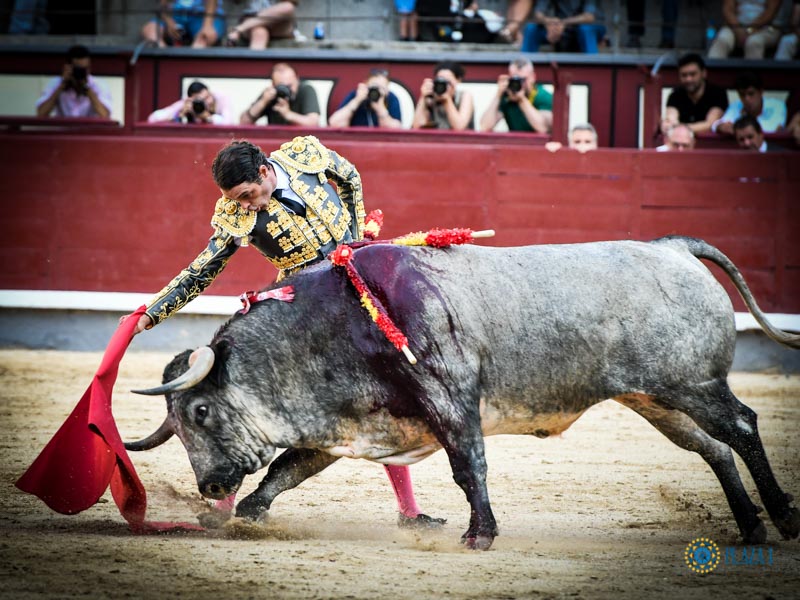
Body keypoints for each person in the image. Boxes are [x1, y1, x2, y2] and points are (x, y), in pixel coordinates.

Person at [129, 136, 443, 529]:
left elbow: (348, 177)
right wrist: (150, 314)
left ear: (264, 171)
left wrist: (357, 235)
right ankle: (224, 506)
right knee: (253, 396)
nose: (244, 205)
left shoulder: (302, 157)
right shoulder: (235, 214)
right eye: (238, 199)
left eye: (248, 194)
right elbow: (202, 269)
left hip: (356, 291)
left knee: (380, 395)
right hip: (300, 311)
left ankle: (409, 511)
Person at [35, 45, 112, 119]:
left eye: (84, 69)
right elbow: (41, 113)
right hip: (63, 130)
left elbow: (105, 115)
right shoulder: (56, 82)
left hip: (89, 131)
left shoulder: (98, 84)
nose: (81, 73)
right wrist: (62, 85)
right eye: (78, 69)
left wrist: (87, 88)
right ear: (68, 67)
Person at [479, 57, 553, 134]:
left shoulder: (543, 96)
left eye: (523, 79)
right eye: (514, 80)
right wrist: (498, 95)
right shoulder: (507, 97)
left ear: (533, 77)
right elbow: (485, 127)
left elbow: (542, 128)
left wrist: (522, 100)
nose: (518, 84)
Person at [661, 53, 729, 136]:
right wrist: (667, 124)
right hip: (682, 145)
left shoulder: (717, 94)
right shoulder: (675, 95)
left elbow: (710, 124)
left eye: (693, 74)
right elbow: (671, 121)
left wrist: (679, 128)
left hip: (712, 145)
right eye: (684, 75)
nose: (688, 79)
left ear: (703, 73)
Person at [239, 63, 320, 127]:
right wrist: (263, 102)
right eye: (281, 86)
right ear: (273, 84)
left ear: (297, 79)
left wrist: (288, 114)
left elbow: (313, 123)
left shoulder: (306, 89)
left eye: (289, 86)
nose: (286, 90)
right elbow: (244, 122)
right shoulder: (270, 94)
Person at [713, 71, 787, 136]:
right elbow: (716, 125)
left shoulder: (777, 105)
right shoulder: (736, 105)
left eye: (751, 94)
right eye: (742, 95)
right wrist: (720, 126)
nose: (747, 99)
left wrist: (741, 123)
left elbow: (771, 129)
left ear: (761, 92)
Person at [520, 0, 605, 54]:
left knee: (585, 30)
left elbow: (589, 17)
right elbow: (538, 14)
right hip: (561, 28)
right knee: (531, 29)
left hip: (590, 27)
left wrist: (561, 23)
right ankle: (522, 69)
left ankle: (593, 73)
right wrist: (548, 23)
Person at [707, 0, 784, 59]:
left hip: (765, 28)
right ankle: (710, 77)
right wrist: (738, 30)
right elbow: (728, 9)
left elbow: (770, 12)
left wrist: (750, 30)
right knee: (721, 40)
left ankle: (752, 78)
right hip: (736, 26)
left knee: (754, 42)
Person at [328, 68, 403, 129]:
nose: (376, 91)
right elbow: (334, 123)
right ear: (365, 85)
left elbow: (395, 130)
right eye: (374, 86)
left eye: (382, 88)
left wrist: (380, 109)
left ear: (387, 90)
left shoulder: (391, 98)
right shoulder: (355, 95)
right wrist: (357, 100)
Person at [412, 61, 475, 130]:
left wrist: (447, 100)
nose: (443, 85)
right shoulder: (431, 97)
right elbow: (417, 127)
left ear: (458, 80)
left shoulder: (464, 96)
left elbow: (459, 127)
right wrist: (423, 97)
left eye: (447, 82)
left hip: (461, 140)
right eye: (440, 81)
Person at [141, 0, 225, 48]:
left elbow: (212, 3)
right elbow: (162, 6)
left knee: (205, 37)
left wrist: (207, 26)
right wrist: (169, 22)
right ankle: (166, 64)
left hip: (204, 15)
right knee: (150, 31)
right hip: (176, 14)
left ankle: (189, 67)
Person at [146, 80, 234, 125]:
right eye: (200, 100)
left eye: (207, 97)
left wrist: (208, 117)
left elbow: (229, 123)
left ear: (210, 93)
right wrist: (179, 114)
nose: (206, 102)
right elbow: (153, 118)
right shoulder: (187, 103)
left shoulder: (221, 98)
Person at [225, 0, 297, 49]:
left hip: (279, 22)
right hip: (252, 19)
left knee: (288, 7)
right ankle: (254, 69)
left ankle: (238, 29)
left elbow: (291, 4)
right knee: (259, 32)